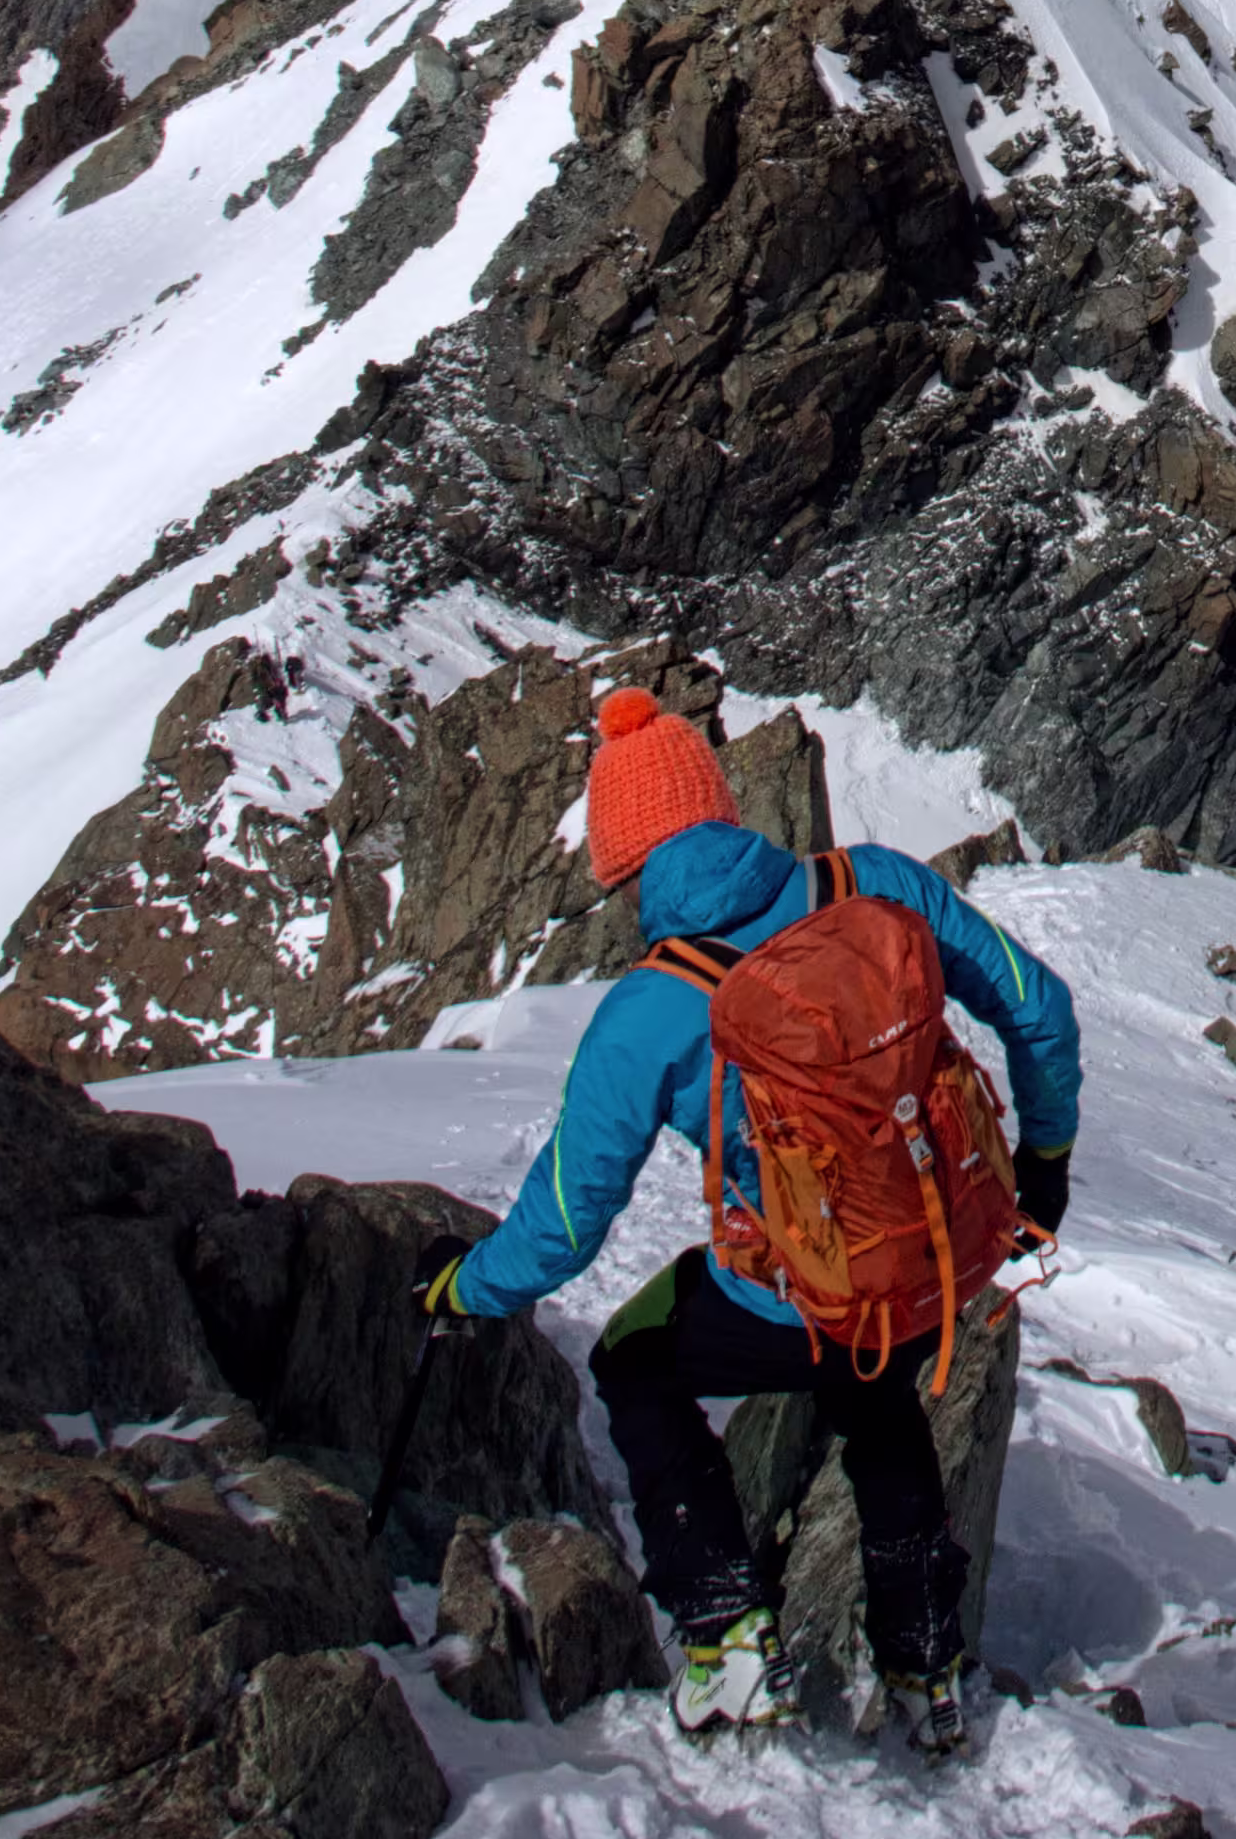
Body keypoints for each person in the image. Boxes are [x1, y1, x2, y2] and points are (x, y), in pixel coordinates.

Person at [429, 689, 1079, 1753]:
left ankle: (725, 1634)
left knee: (638, 1358)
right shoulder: (875, 884)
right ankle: (928, 1667)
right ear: (725, 809)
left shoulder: (649, 1009)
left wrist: (465, 1286)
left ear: (625, 865)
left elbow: (564, 1222)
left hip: (800, 1288)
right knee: (876, 1390)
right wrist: (1041, 1171)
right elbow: (1038, 1009)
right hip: (937, 1252)